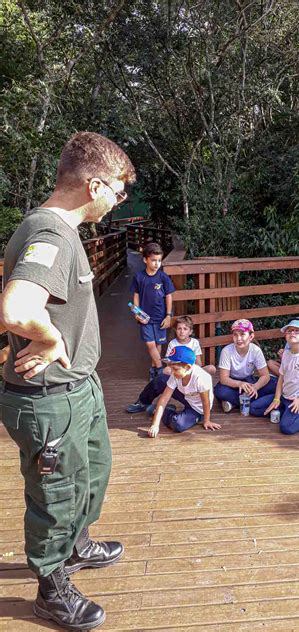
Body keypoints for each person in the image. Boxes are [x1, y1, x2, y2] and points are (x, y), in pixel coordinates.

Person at [0, 131, 135, 630]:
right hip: (48, 398)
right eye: (118, 191)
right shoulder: (52, 235)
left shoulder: (62, 232)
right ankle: (50, 586)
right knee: (55, 494)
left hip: (80, 388)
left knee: (91, 473)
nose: (119, 202)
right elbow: (15, 308)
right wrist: (52, 340)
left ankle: (76, 544)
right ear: (94, 185)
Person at [125, 315, 215, 415]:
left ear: (190, 331)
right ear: (175, 330)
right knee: (162, 375)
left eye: (185, 329)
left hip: (190, 374)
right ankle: (143, 402)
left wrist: (190, 371)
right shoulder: (173, 343)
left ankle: (168, 409)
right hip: (177, 374)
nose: (182, 331)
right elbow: (169, 363)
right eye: (179, 329)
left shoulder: (194, 342)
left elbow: (199, 363)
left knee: (211, 368)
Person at [147, 346, 221, 437]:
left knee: (178, 424)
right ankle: (143, 402)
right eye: (171, 368)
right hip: (187, 396)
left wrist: (206, 420)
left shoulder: (201, 378)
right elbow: (164, 399)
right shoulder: (176, 374)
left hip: (198, 408)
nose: (171, 372)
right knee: (160, 380)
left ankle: (162, 411)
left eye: (175, 369)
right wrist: (155, 425)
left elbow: (206, 402)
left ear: (188, 367)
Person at [130, 242, 175, 380]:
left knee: (158, 344)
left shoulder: (163, 277)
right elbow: (136, 295)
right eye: (153, 260)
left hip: (161, 317)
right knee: (150, 344)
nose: (157, 264)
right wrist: (137, 313)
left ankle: (153, 369)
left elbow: (169, 296)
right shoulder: (139, 277)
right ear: (145, 260)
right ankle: (160, 369)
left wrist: (168, 316)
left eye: (159, 260)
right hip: (146, 318)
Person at [214, 319, 277, 414]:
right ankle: (251, 401)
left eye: (242, 334)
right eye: (235, 335)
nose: (238, 338)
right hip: (233, 383)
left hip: (250, 382)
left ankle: (234, 403)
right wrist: (239, 384)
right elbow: (224, 378)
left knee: (274, 385)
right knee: (220, 391)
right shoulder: (226, 351)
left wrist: (255, 387)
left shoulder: (255, 350)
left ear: (251, 336)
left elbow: (265, 375)